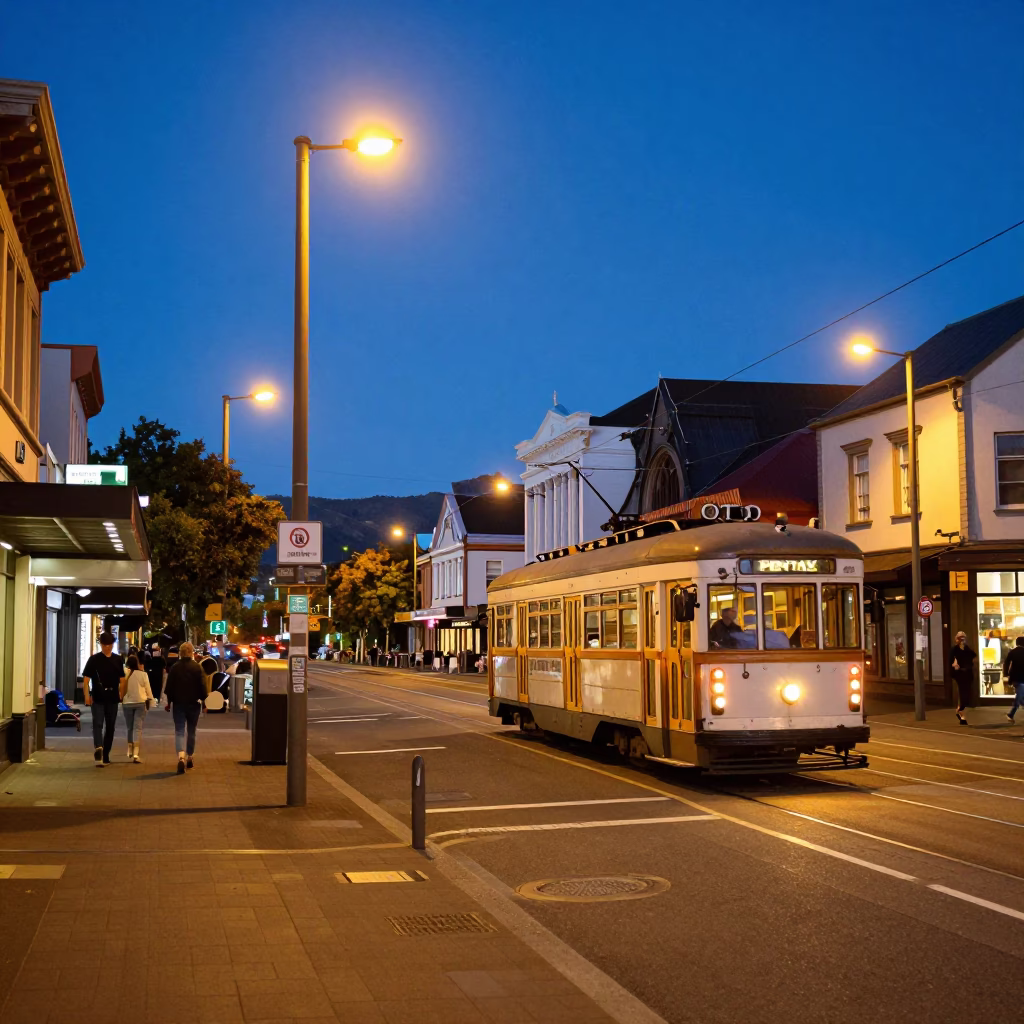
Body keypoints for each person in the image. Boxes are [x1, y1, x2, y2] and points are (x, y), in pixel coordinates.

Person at [82, 632, 126, 765]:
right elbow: (85, 680)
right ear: (100, 644)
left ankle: (105, 753)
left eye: (110, 644)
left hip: (113, 697)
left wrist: (121, 694)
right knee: (98, 723)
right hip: (98, 696)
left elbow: (122, 679)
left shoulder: (118, 659)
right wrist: (86, 697)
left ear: (113, 644)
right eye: (105, 645)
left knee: (111, 726)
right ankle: (99, 748)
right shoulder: (94, 659)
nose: (107, 647)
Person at [163, 642, 206, 773]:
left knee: (179, 730)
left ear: (180, 653)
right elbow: (203, 687)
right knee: (192, 730)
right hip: (194, 704)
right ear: (192, 652)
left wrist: (169, 702)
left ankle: (180, 757)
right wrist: (204, 703)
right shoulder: (198, 668)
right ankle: (190, 757)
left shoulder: (175, 667)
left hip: (179, 704)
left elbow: (169, 687)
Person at [122, 654, 154, 762]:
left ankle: (129, 749)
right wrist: (150, 700)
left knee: (129, 727)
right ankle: (136, 753)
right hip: (140, 702)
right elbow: (148, 690)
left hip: (127, 703)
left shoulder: (125, 674)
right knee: (138, 728)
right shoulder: (143, 674)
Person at [949, 631, 977, 725]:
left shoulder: (967, 649)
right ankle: (961, 711)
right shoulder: (954, 649)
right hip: (959, 674)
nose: (962, 640)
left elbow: (973, 655)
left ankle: (960, 712)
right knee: (962, 693)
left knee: (967, 693)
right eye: (960, 638)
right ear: (957, 639)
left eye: (963, 638)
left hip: (968, 673)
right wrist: (954, 666)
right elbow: (950, 661)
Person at [1003, 636, 1024, 724]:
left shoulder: (1012, 652)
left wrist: (1006, 674)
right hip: (1022, 678)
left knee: (1021, 695)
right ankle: (1011, 714)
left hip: (1015, 677)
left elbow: (1006, 663)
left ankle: (1011, 714)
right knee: (1019, 695)